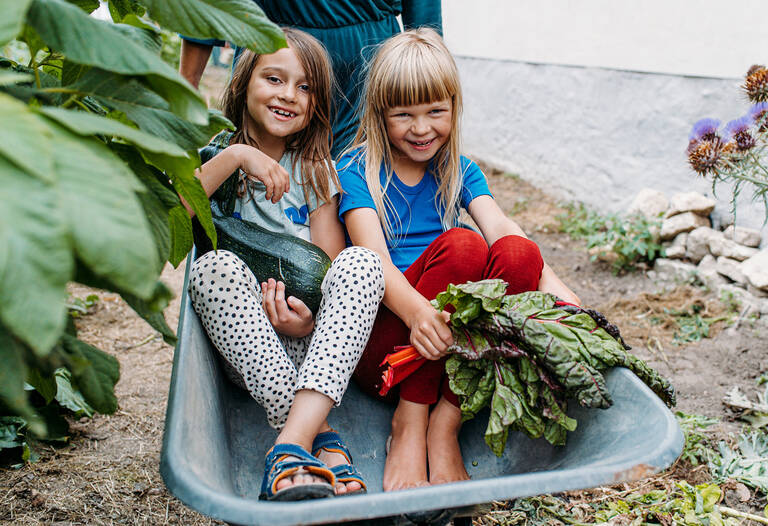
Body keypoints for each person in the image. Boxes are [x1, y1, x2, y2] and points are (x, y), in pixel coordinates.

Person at [337, 28, 581, 491]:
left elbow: (506, 232)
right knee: (464, 246)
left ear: (454, 107)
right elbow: (375, 263)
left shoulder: (459, 170)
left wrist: (560, 292)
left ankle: (444, 424)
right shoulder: (357, 172)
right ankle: (409, 423)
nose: (423, 128)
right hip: (390, 345)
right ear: (379, 114)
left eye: (436, 111)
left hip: (451, 351)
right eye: (404, 114)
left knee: (516, 251)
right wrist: (419, 312)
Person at [184, 27, 385, 501]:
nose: (288, 95)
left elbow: (328, 269)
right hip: (245, 348)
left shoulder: (315, 169)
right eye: (274, 79)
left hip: (314, 352)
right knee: (213, 267)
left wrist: (308, 322)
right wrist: (236, 155)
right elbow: (178, 211)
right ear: (243, 82)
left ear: (315, 104)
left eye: (304, 87)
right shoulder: (215, 155)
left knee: (361, 263)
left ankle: (288, 447)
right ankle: (319, 435)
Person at [179, 0, 442, 157]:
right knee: (257, 189)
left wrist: (430, 85)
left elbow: (424, 18)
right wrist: (183, 92)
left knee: (363, 191)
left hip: (369, 65)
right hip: (274, 53)